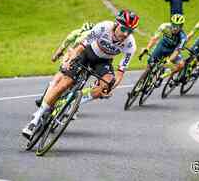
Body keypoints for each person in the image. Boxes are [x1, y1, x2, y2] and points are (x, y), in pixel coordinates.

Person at [22, 9, 140, 139]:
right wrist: (70, 60)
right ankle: (35, 119)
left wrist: (111, 86)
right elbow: (81, 46)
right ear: (117, 24)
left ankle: (74, 103)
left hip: (103, 61)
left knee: (106, 85)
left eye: (130, 31)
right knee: (65, 83)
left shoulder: (130, 45)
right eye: (124, 29)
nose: (125, 34)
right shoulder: (103, 27)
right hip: (87, 53)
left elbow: (120, 72)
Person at [35, 22, 95, 108]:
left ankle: (44, 99)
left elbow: (65, 44)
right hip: (88, 59)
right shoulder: (96, 35)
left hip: (73, 54)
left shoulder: (77, 32)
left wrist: (56, 55)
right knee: (80, 82)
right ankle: (72, 107)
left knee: (58, 78)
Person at [138, 14, 187, 82]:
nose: (175, 28)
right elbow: (155, 38)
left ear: (181, 26)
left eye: (178, 26)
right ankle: (142, 82)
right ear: (171, 23)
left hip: (172, 51)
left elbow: (177, 51)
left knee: (181, 65)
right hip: (162, 46)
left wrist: (169, 61)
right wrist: (147, 48)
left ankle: (167, 73)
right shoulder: (164, 26)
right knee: (149, 65)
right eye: (174, 25)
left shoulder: (183, 37)